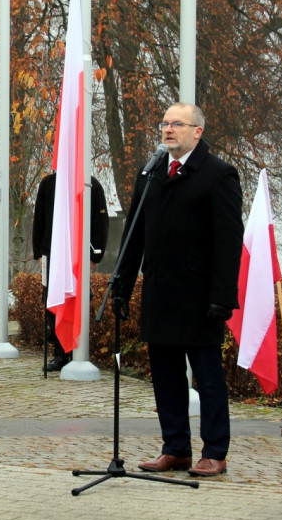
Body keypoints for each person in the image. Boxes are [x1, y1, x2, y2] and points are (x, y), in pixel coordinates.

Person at [113, 103, 243, 478]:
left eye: (177, 124)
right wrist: (121, 283)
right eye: (165, 123)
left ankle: (215, 451)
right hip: (160, 292)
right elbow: (134, 233)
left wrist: (222, 296)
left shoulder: (218, 175)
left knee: (208, 375)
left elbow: (228, 242)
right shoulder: (151, 172)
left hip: (200, 298)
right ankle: (176, 448)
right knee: (166, 375)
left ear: (197, 132)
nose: (168, 130)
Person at [31, 173, 109, 371]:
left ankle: (79, 350)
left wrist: (94, 257)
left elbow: (101, 222)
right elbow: (39, 218)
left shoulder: (91, 185)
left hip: (79, 257)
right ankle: (60, 354)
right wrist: (39, 252)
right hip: (52, 255)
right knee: (53, 302)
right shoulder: (48, 184)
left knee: (78, 303)